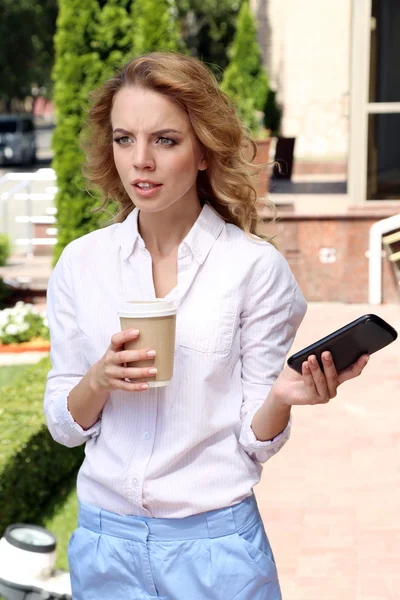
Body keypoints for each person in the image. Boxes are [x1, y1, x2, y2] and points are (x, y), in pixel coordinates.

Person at [44, 52, 369, 600]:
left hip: (216, 552)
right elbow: (62, 423)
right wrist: (99, 378)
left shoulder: (253, 269)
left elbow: (253, 438)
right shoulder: (82, 264)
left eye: (165, 140)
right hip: (106, 546)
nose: (140, 161)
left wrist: (284, 396)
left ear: (202, 151)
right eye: (124, 139)